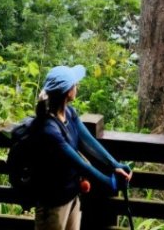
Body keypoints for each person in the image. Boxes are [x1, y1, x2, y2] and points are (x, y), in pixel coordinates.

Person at [33, 63, 132, 230]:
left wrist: (115, 164)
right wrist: (111, 183)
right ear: (67, 92)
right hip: (52, 205)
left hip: (72, 197)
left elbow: (89, 143)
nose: (77, 86)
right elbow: (80, 164)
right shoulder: (49, 129)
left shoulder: (69, 113)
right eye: (74, 84)